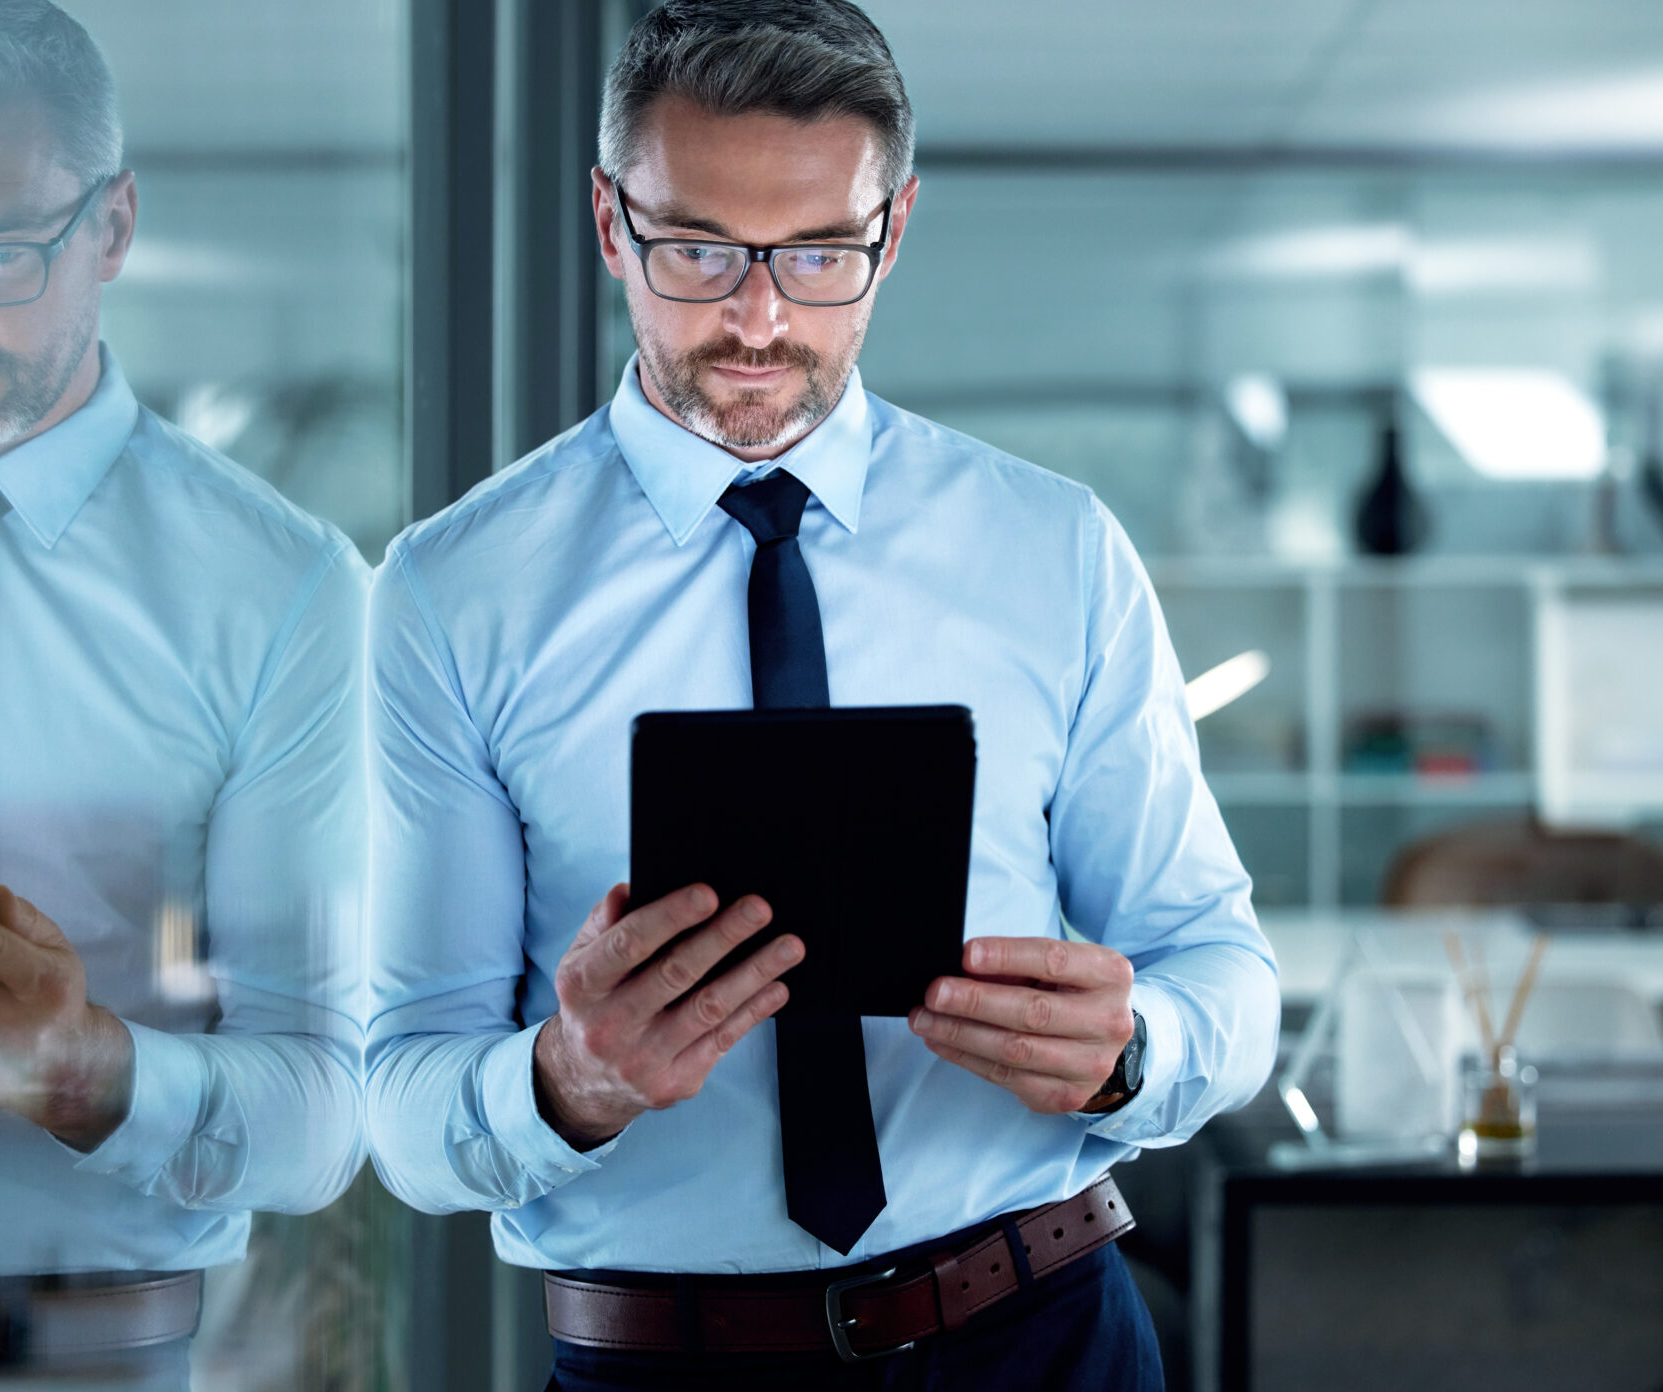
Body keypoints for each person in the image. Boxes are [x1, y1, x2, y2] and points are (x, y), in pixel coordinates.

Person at [365, 1, 1277, 1386]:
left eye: (817, 253)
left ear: (892, 231)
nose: (757, 316)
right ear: (610, 224)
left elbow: (1224, 968)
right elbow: (406, 1096)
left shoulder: (1058, 552)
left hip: (1041, 1335)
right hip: (663, 1362)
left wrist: (1132, 1053)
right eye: (696, 249)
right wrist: (570, 1080)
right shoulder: (453, 592)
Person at [0, 0, 366, 1381]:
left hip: (84, 1352)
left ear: (115, 228)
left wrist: (78, 1065)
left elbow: (322, 1114)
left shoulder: (280, 590)